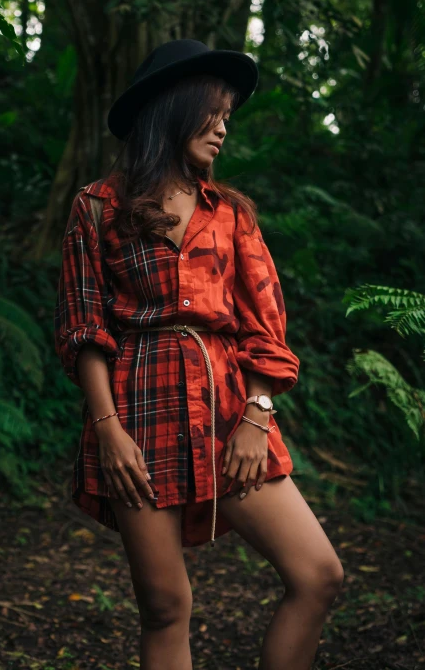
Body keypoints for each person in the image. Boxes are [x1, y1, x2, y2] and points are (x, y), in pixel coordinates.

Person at [54, 39, 344, 670]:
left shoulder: (232, 215)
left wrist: (258, 414)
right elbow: (84, 329)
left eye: (227, 119)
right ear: (175, 108)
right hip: (138, 416)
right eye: (213, 113)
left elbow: (267, 328)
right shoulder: (97, 207)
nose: (221, 129)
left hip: (229, 412)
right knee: (164, 606)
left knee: (318, 573)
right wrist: (109, 432)